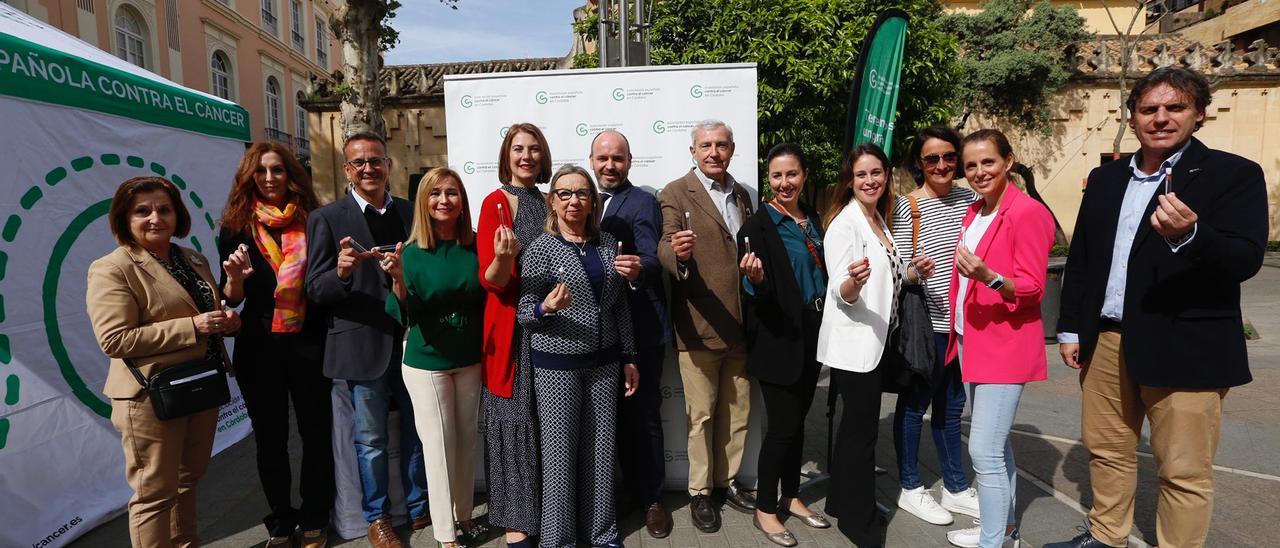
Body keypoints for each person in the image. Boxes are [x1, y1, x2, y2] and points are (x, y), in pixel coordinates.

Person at [1047, 67, 1267, 548]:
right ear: (1132, 117)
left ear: (1199, 113)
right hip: (1106, 340)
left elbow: (1246, 259)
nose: (1161, 118)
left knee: (1184, 470)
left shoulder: (1233, 175)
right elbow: (1083, 257)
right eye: (1149, 109)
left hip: (1186, 343)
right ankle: (1107, 537)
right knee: (1106, 450)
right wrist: (1069, 328)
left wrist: (1192, 235)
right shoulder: (1105, 178)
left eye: (1175, 107)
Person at [86, 176, 240, 548]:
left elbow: (211, 312)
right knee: (153, 494)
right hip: (148, 397)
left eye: (164, 209)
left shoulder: (192, 258)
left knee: (189, 480)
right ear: (124, 218)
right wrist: (193, 326)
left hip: (199, 386)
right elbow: (115, 339)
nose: (155, 217)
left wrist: (228, 321)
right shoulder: (113, 268)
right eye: (143, 210)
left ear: (178, 215)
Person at [305, 132, 426, 548]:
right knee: (371, 439)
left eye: (376, 161)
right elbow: (315, 291)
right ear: (347, 170)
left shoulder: (412, 213)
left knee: (418, 429)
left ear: (389, 165)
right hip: (362, 346)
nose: (369, 169)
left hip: (413, 343)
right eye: (359, 163)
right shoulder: (327, 218)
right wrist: (339, 272)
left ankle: (419, 506)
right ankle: (377, 518)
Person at [518, 164, 641, 548]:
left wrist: (630, 356)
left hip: (605, 364)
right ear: (552, 201)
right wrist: (546, 309)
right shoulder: (540, 248)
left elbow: (619, 306)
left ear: (592, 201)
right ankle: (558, 540)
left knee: (601, 453)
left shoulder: (608, 244)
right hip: (557, 368)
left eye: (582, 193)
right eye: (565, 193)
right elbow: (525, 311)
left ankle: (602, 534)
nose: (574, 200)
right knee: (559, 458)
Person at [943, 129, 1055, 548]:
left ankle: (994, 543)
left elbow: (1032, 289)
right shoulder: (975, 211)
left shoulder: (1027, 213)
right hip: (972, 341)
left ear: (1008, 161)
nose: (978, 172)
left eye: (987, 162)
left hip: (1004, 347)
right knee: (997, 447)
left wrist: (989, 277)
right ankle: (1004, 530)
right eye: (970, 166)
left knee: (984, 453)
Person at [217, 143, 332, 548]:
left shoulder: (315, 221)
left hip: (310, 340)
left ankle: (316, 512)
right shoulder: (236, 227)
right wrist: (235, 279)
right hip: (259, 343)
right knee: (270, 438)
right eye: (261, 171)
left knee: (317, 433)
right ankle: (281, 519)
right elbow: (229, 297)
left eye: (278, 170)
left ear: (292, 176)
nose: (269, 178)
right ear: (250, 176)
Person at [658, 119, 757, 533]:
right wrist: (677, 255)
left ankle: (727, 482)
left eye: (721, 145)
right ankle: (699, 493)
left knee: (738, 412)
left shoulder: (745, 194)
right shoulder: (675, 192)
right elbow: (664, 243)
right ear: (693, 151)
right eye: (706, 145)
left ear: (732, 149)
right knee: (700, 417)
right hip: (699, 325)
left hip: (743, 326)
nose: (714, 152)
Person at [379, 167, 486, 548]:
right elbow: (403, 314)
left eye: (452, 193)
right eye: (435, 193)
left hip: (470, 357)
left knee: (467, 441)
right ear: (424, 202)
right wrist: (396, 281)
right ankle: (444, 533)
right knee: (439, 445)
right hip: (426, 361)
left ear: (462, 201)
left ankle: (464, 515)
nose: (444, 200)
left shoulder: (478, 244)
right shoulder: (408, 253)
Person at [737, 143, 834, 547]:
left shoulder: (812, 219)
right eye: (776, 176)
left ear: (804, 175)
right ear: (768, 181)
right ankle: (765, 508)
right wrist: (754, 281)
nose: (784, 183)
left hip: (815, 332)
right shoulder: (756, 229)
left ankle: (792, 495)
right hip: (778, 340)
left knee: (798, 425)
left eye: (791, 174)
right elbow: (750, 290)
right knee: (781, 428)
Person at [889, 126, 980, 526]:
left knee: (952, 407)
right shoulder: (907, 206)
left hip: (964, 326)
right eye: (931, 159)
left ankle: (956, 487)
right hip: (926, 326)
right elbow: (892, 266)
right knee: (914, 407)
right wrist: (912, 270)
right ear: (919, 164)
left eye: (948, 157)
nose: (941, 165)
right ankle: (911, 486)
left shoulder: (973, 200)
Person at [817, 143, 904, 548]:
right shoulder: (845, 224)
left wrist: (914, 275)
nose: (870, 181)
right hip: (855, 345)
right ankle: (859, 520)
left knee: (858, 429)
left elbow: (889, 276)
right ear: (849, 181)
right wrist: (854, 282)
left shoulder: (878, 221)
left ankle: (840, 502)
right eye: (861, 174)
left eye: (876, 173)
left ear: (886, 176)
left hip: (877, 340)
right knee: (861, 434)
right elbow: (840, 289)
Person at [590, 130, 673, 538]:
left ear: (630, 161)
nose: (610, 165)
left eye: (617, 158)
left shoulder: (643, 201)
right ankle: (617, 495)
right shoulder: (580, 201)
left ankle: (652, 499)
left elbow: (656, 258)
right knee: (609, 421)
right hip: (596, 333)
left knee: (644, 419)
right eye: (603, 158)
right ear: (591, 161)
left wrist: (639, 268)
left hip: (641, 329)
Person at [475, 122, 552, 548]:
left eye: (534, 150)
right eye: (518, 149)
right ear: (507, 156)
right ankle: (516, 518)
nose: (526, 156)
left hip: (550, 325)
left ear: (543, 157)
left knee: (547, 424)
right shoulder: (495, 203)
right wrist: (506, 260)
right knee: (513, 421)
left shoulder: (549, 202)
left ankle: (548, 512)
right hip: (511, 330)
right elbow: (491, 279)